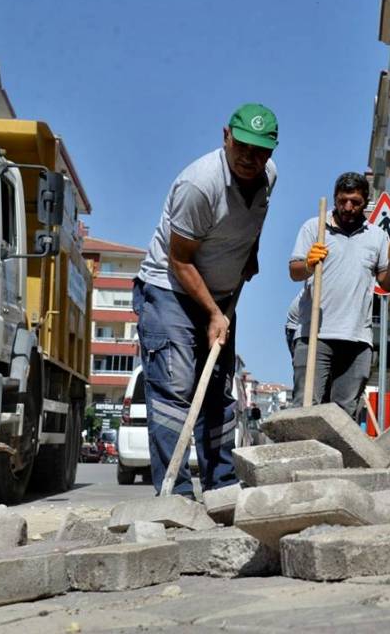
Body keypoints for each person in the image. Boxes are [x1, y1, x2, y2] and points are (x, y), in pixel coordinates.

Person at [133, 103, 279, 497]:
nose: (250, 159)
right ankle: (174, 495)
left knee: (217, 392)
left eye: (261, 151)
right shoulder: (200, 185)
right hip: (170, 292)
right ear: (226, 136)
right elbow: (179, 260)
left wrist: (251, 254)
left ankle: (221, 490)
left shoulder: (269, 177)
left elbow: (254, 220)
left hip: (221, 294)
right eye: (243, 148)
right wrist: (213, 313)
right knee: (175, 389)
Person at [288, 172, 390, 418]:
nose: (348, 207)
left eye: (355, 202)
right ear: (335, 198)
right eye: (342, 200)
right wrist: (308, 263)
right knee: (306, 410)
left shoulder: (376, 236)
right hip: (315, 335)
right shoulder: (314, 228)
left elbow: (386, 284)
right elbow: (294, 271)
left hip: (357, 339)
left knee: (343, 416)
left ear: (365, 201)